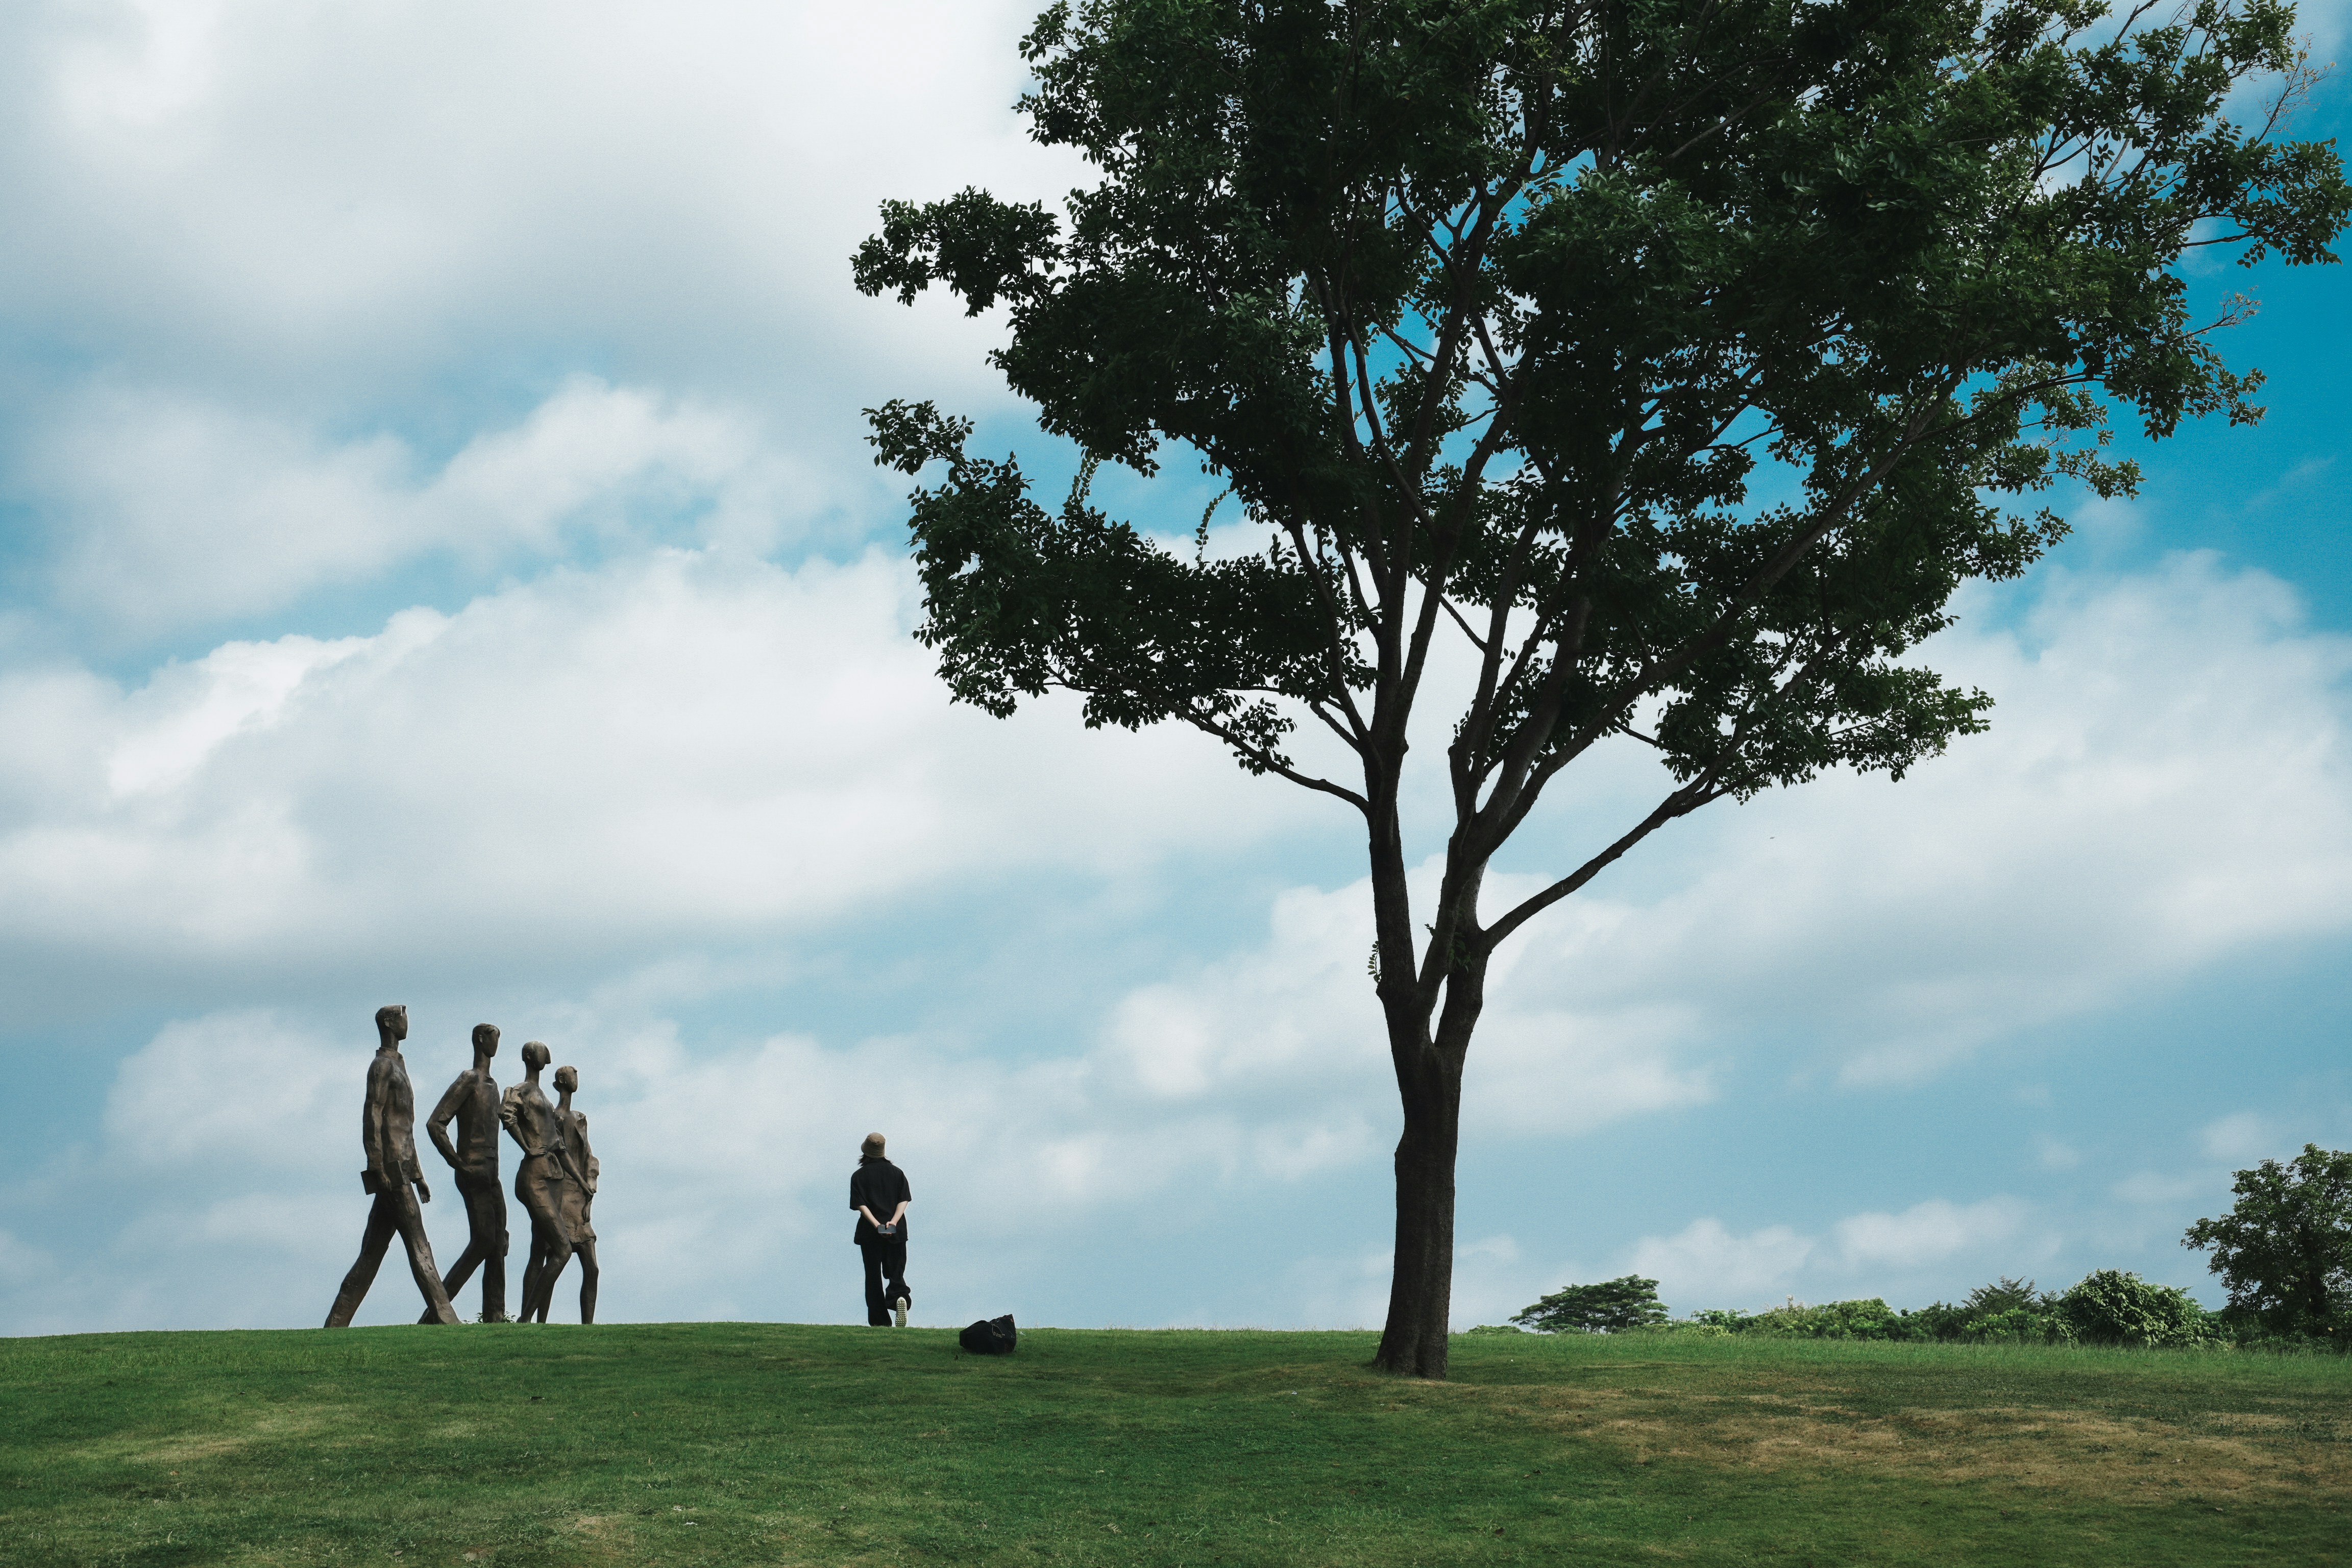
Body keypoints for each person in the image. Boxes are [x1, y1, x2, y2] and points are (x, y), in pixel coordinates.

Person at [325, 1005, 462, 1327]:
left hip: (401, 1167)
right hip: (390, 1169)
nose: (407, 1021)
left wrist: (419, 1175)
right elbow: (372, 1115)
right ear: (389, 1022)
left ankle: (336, 1323)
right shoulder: (381, 1066)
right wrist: (378, 1166)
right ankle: (446, 1318)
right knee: (419, 1243)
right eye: (403, 1015)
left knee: (371, 1255)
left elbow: (404, 1127)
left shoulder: (398, 1066)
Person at [420, 1022, 509, 1322]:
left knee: (498, 1244)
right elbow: (436, 1124)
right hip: (474, 1171)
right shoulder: (468, 1079)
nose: (498, 1042)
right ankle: (436, 1313)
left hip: (493, 1174)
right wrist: (458, 1163)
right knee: (484, 1241)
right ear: (481, 1040)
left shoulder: (494, 1086)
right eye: (494, 1036)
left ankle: (496, 1319)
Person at [499, 1041, 581, 1323]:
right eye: (539, 1050)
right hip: (535, 1176)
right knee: (563, 1249)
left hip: (554, 1175)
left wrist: (581, 1183)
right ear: (529, 1057)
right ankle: (525, 1320)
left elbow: (561, 1148)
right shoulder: (520, 1090)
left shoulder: (544, 1096)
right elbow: (506, 1115)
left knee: (541, 1250)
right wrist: (527, 1147)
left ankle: (538, 1324)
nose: (545, 1052)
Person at [539, 1064, 600, 1325]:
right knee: (554, 1262)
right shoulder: (552, 1119)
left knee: (592, 1269)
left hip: (581, 1197)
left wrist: (591, 1192)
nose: (577, 1076)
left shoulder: (580, 1118)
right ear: (562, 1081)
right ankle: (538, 1322)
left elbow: (590, 1159)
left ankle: (588, 1326)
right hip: (559, 1195)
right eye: (571, 1074)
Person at [850, 1132, 912, 1327]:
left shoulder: (859, 1176)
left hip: (870, 1234)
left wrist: (876, 1224)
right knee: (896, 1271)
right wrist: (892, 1222)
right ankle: (898, 1297)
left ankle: (880, 1321)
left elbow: (861, 1205)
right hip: (896, 1231)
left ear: (865, 1152)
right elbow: (904, 1200)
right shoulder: (897, 1173)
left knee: (873, 1277)